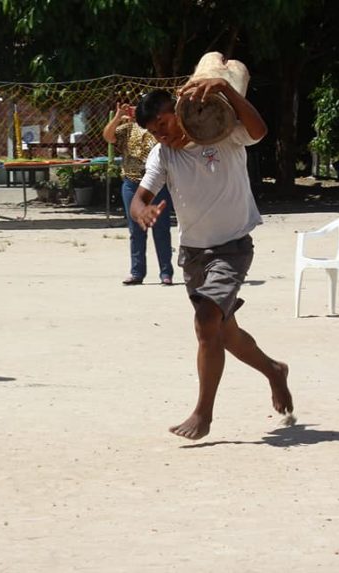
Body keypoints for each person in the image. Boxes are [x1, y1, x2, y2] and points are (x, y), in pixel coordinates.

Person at [130, 81, 292, 440]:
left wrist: (227, 90)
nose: (162, 137)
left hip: (232, 248)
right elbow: (140, 197)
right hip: (193, 253)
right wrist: (141, 212)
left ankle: (203, 414)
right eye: (154, 134)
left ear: (177, 111)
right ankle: (274, 371)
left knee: (206, 324)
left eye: (163, 125)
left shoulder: (222, 132)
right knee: (226, 334)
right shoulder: (163, 156)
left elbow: (259, 131)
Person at [103, 102, 174, 285]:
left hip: (156, 184)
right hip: (132, 183)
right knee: (136, 230)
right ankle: (137, 272)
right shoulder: (127, 129)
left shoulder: (156, 129)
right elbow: (108, 137)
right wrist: (118, 116)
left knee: (161, 229)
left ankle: (166, 273)